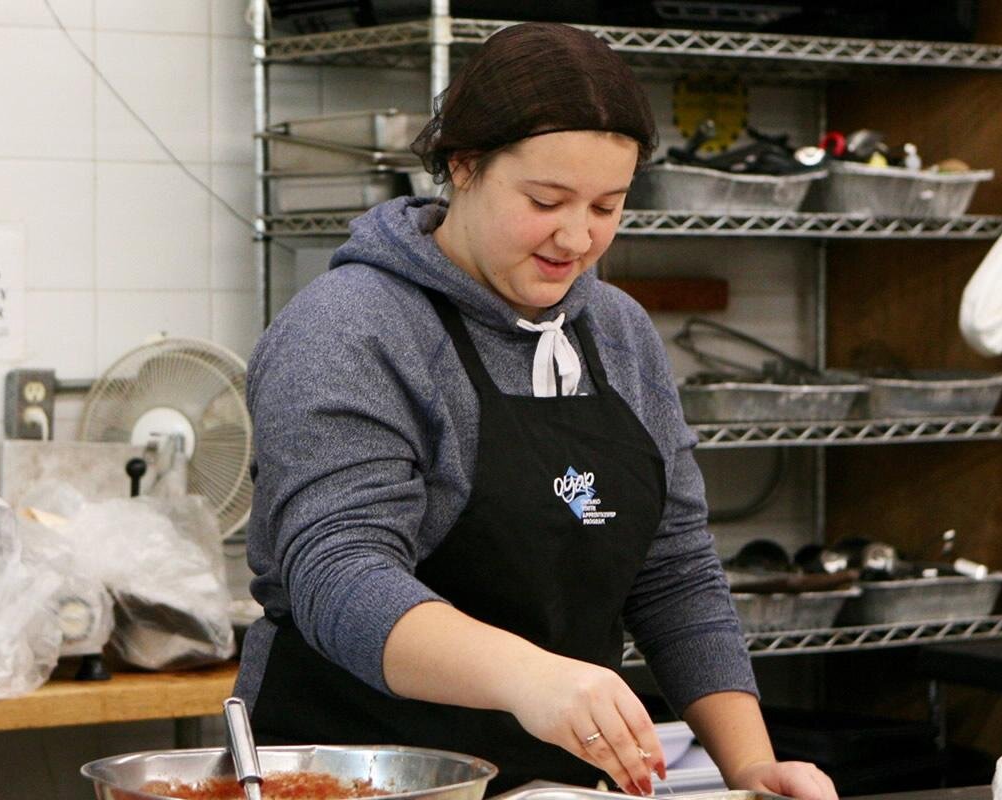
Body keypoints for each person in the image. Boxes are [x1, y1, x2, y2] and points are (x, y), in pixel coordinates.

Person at [238, 23, 836, 799]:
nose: (577, 237)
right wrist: (531, 678)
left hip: (549, 785)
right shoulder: (350, 328)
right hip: (352, 775)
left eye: (606, 206)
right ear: (464, 164)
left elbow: (675, 569)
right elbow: (339, 577)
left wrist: (751, 766)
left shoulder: (617, 332)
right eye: (546, 201)